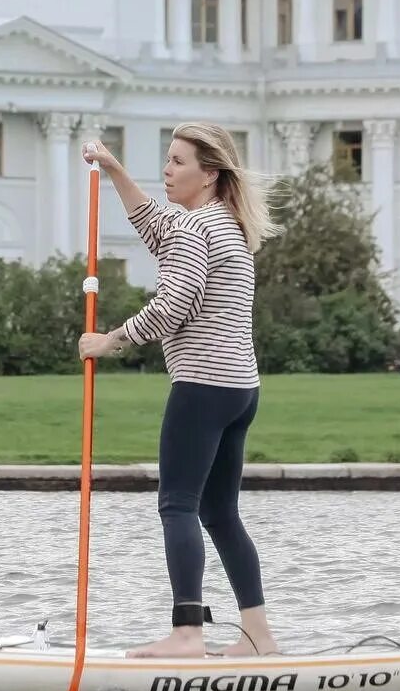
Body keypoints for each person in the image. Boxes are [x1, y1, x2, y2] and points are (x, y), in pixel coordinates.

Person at [77, 122, 282, 659]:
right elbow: (150, 222)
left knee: (177, 504)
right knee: (220, 513)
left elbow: (172, 309)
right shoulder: (223, 225)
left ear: (209, 174)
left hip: (203, 386)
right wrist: (114, 168)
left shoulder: (196, 231)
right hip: (240, 389)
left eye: (178, 162)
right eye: (166, 160)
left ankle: (188, 634)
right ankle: (258, 636)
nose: (167, 171)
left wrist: (109, 341)